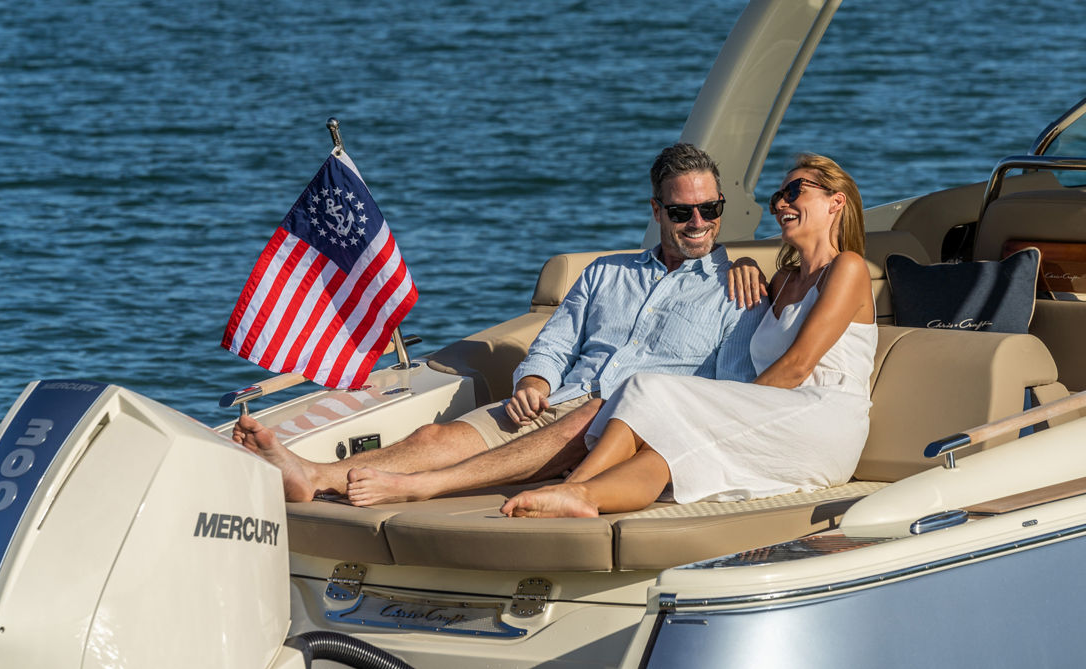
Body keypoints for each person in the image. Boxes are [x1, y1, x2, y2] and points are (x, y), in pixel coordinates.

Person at [233, 143, 764, 504]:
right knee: (434, 432)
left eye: (709, 208)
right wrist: (533, 382)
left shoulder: (740, 289)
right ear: (656, 210)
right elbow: (555, 344)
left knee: (598, 412)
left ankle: (421, 488)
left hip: (633, 424)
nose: (698, 222)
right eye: (681, 212)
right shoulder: (606, 273)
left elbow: (732, 389)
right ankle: (313, 475)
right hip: (564, 400)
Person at [501, 153, 876, 518]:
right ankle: (585, 497)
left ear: (835, 201)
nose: (780, 204)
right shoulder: (779, 282)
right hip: (776, 418)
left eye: (795, 191)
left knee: (647, 386)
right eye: (777, 196)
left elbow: (797, 365)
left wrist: (727, 411)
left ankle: (575, 482)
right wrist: (743, 263)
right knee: (662, 454)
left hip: (823, 421)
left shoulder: (848, 267)